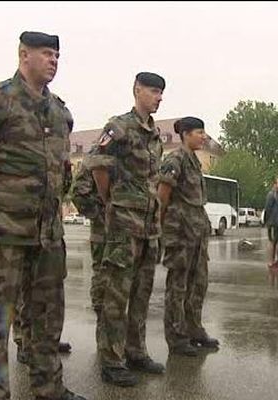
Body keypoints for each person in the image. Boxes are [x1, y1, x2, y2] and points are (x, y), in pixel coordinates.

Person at [0, 32, 86, 400]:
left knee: (47, 320)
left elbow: (62, 170)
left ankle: (49, 389)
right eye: (46, 53)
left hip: (48, 236)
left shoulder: (60, 112)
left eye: (57, 54)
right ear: (24, 55)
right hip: (4, 235)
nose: (54, 60)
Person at [85, 72, 166, 387]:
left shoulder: (155, 134)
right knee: (116, 296)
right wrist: (109, 200)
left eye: (162, 92)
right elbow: (96, 161)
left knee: (141, 294)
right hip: (123, 225)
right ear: (137, 90)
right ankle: (111, 360)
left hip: (148, 227)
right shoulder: (119, 126)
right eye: (154, 91)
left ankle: (136, 351)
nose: (159, 97)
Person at [158, 116, 220, 357]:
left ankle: (194, 328)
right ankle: (176, 337)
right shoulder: (175, 160)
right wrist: (161, 230)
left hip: (196, 232)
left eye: (204, 132)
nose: (203, 136)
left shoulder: (194, 161)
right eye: (199, 132)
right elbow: (162, 196)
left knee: (198, 284)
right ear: (185, 134)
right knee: (178, 286)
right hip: (180, 233)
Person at [70, 149, 106, 348]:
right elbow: (79, 192)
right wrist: (101, 215)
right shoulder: (96, 155)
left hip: (128, 232)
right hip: (104, 235)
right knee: (103, 283)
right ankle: (105, 343)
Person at [264, 178, 278, 268]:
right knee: (272, 242)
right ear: (274, 184)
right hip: (272, 223)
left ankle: (275, 260)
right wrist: (267, 221)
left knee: (276, 242)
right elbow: (267, 209)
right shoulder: (271, 195)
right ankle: (270, 261)